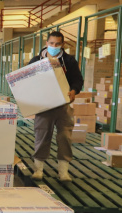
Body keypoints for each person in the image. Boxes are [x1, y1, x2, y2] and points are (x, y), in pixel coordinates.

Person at [28, 31, 84, 182]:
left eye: (57, 44)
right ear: (46, 43)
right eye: (51, 43)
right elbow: (28, 82)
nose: (54, 46)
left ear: (62, 45)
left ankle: (63, 172)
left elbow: (77, 80)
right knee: (42, 135)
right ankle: (38, 170)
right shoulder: (36, 60)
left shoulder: (69, 61)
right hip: (43, 105)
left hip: (63, 105)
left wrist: (73, 91)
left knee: (64, 136)